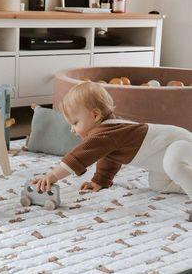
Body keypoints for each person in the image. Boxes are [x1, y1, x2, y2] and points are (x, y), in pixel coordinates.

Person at [32, 82, 192, 200]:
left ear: (95, 115)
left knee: (173, 165)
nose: (72, 130)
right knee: (159, 185)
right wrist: (100, 180)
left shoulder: (106, 133)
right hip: (162, 156)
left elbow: (78, 157)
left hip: (180, 144)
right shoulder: (110, 135)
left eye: (75, 123)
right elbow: (109, 158)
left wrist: (52, 176)